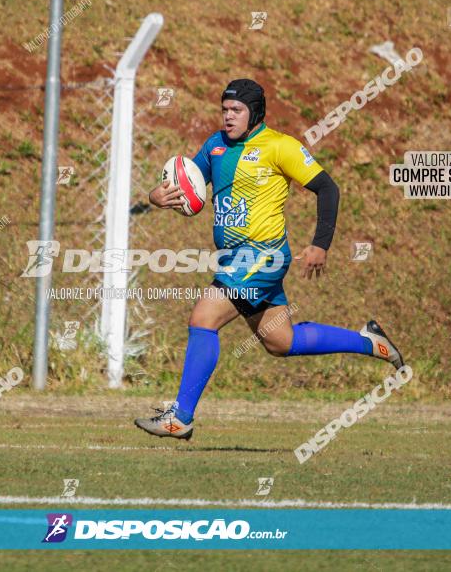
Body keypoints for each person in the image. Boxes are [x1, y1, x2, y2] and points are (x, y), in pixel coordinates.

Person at [134, 79, 404, 440]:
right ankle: (370, 342)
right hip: (234, 259)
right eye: (224, 109)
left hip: (263, 256)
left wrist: (320, 244)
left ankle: (181, 417)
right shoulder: (214, 146)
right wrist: (157, 196)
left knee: (204, 316)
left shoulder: (279, 147)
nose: (228, 117)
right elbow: (188, 186)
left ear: (255, 113)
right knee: (281, 342)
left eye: (237, 111)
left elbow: (328, 188)